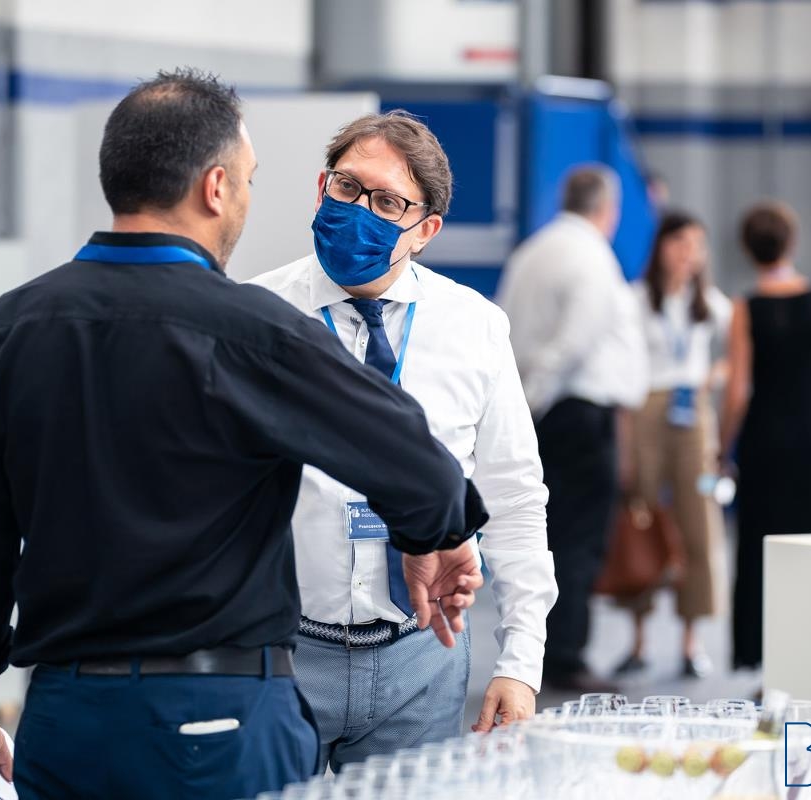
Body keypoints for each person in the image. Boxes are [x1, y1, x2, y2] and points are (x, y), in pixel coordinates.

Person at [0, 70, 489, 800]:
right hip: (221, 721)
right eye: (248, 179)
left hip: (66, 718)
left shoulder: (4, 332)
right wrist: (437, 533)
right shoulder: (257, 333)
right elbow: (422, 467)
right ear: (215, 187)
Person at [249, 111, 557, 768]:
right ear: (321, 188)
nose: (359, 211)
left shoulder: (474, 328)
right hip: (280, 654)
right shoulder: (256, 316)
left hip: (422, 659)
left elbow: (514, 499)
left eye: (387, 203)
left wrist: (520, 662)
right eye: (347, 187)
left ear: (425, 231)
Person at [497, 165, 647, 693]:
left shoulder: (531, 252)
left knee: (548, 535)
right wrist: (539, 396)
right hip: (576, 412)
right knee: (578, 540)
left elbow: (507, 331)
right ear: (608, 209)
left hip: (547, 412)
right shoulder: (590, 256)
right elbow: (574, 342)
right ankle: (565, 655)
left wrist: (526, 404)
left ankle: (542, 650)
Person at [720, 202, 811, 671]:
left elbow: (738, 390)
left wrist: (722, 444)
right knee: (809, 543)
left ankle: (761, 651)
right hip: (810, 434)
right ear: (792, 242)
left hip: (764, 440)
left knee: (759, 545)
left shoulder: (745, 307)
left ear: (748, 249)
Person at [616, 211, 730, 680]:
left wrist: (712, 377)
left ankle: (691, 642)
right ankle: (639, 640)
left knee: (698, 521)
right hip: (646, 407)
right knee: (641, 516)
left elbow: (738, 353)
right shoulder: (635, 299)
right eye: (681, 242)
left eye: (697, 245)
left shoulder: (710, 303)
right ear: (661, 246)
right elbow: (622, 366)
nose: (689, 253)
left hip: (693, 413)